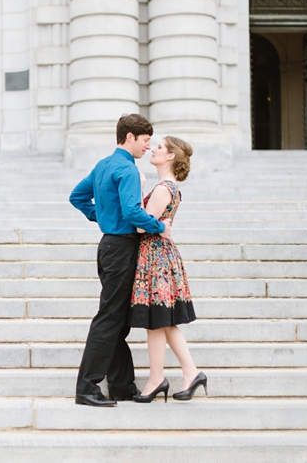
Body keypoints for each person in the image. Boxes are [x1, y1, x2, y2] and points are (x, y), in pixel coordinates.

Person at [69, 114, 172, 407]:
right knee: (110, 318)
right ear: (129, 137)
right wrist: (160, 226)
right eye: (145, 140)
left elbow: (76, 197)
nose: (147, 147)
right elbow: (131, 211)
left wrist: (100, 216)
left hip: (109, 247)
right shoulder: (127, 169)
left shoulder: (104, 165)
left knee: (118, 319)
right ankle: (87, 388)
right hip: (122, 247)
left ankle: (122, 386)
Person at [128, 136, 207, 403]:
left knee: (156, 320)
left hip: (156, 259)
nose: (153, 149)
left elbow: (141, 225)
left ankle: (157, 378)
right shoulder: (170, 187)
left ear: (171, 156)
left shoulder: (163, 188)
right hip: (162, 257)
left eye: (159, 147)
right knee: (163, 321)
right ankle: (190, 372)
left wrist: (138, 190)